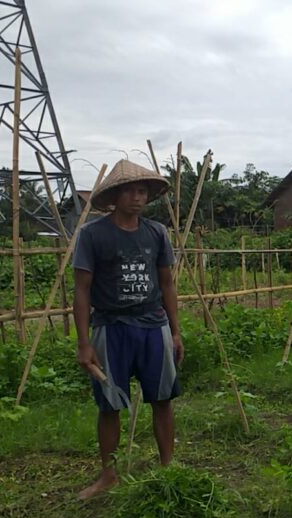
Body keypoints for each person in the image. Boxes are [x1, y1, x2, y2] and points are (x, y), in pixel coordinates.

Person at [72, 159, 183, 499]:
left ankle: (168, 469)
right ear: (115, 196)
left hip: (153, 326)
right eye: (131, 191)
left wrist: (175, 331)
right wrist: (83, 343)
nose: (138, 198)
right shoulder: (93, 235)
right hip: (110, 327)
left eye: (142, 191)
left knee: (162, 400)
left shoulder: (157, 233)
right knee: (109, 406)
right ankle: (109, 475)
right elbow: (81, 290)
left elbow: (167, 284)